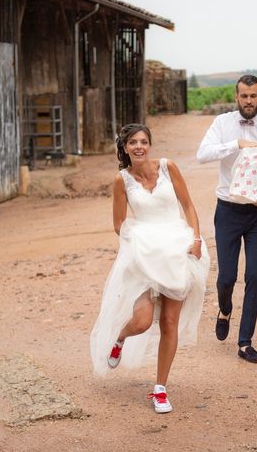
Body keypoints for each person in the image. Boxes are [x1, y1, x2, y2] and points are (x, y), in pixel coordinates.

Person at [90, 123, 209, 414]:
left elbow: (188, 206)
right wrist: (137, 243)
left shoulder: (168, 168)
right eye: (133, 142)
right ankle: (120, 337)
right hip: (146, 255)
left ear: (150, 145)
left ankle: (160, 389)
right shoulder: (122, 181)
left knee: (169, 322)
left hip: (178, 250)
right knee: (143, 321)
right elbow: (119, 224)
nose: (139, 146)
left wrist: (195, 238)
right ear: (125, 147)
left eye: (144, 141)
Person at [196, 75, 257, 364]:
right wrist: (236, 144)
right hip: (229, 210)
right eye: (244, 96)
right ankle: (224, 309)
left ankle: (245, 342)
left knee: (254, 276)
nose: (249, 101)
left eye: (254, 96)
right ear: (237, 97)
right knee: (226, 278)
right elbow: (202, 155)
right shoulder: (222, 124)